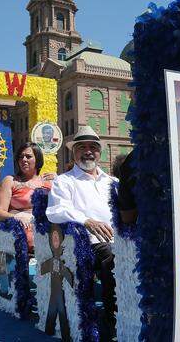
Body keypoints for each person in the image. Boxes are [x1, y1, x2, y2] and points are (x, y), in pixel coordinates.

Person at [46, 126, 118, 341]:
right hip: (86, 243)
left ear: (99, 153)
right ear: (74, 152)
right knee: (110, 254)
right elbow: (55, 211)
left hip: (119, 240)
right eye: (82, 147)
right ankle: (112, 317)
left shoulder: (113, 182)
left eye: (93, 147)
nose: (88, 151)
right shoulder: (64, 181)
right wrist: (85, 221)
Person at [0, 143, 55, 253]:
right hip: (20, 231)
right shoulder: (10, 181)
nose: (24, 160)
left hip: (47, 229)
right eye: (20, 157)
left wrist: (59, 180)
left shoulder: (48, 181)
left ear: (38, 159)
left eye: (28, 156)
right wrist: (17, 216)